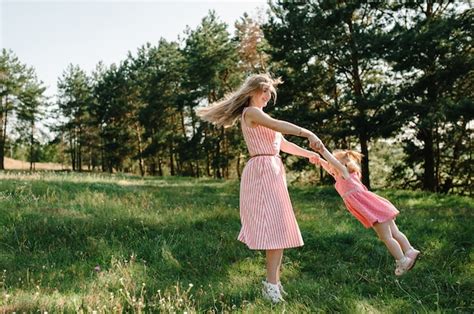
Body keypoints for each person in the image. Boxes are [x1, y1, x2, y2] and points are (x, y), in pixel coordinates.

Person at [197, 73, 323, 303]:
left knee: (280, 228)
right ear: (251, 91)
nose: (267, 96)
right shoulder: (252, 113)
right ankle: (270, 286)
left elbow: (282, 143)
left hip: (273, 169)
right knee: (275, 229)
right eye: (264, 91)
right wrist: (308, 133)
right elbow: (277, 126)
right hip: (263, 171)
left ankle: (273, 283)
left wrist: (309, 154)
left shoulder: (262, 115)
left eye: (270, 92)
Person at [309, 145, 420, 276]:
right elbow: (330, 168)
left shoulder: (344, 174)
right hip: (378, 206)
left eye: (333, 162)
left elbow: (333, 164)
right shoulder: (346, 175)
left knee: (386, 237)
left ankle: (402, 260)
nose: (330, 165)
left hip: (373, 210)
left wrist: (321, 150)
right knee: (395, 232)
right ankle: (409, 250)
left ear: (342, 164)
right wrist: (320, 161)